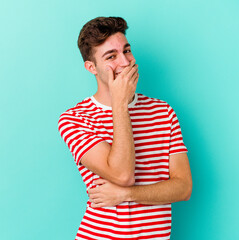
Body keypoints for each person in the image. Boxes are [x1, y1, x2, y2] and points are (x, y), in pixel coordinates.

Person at [58, 16, 192, 240]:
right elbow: (122, 174)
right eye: (111, 56)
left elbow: (183, 188)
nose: (126, 62)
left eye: (127, 51)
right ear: (91, 67)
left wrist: (125, 195)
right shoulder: (75, 119)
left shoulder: (163, 111)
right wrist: (120, 104)